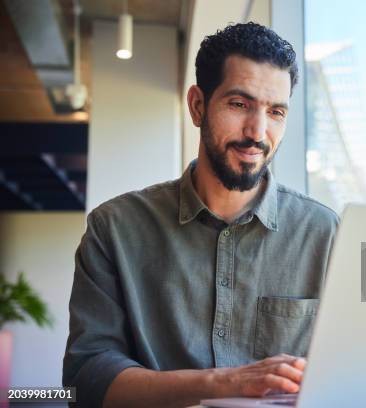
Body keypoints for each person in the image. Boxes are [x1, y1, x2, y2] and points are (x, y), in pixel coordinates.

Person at [63, 22, 338, 408]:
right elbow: (86, 379)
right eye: (239, 104)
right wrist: (226, 382)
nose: (257, 132)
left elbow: (359, 366)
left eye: (275, 112)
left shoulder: (327, 233)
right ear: (197, 105)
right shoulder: (113, 229)